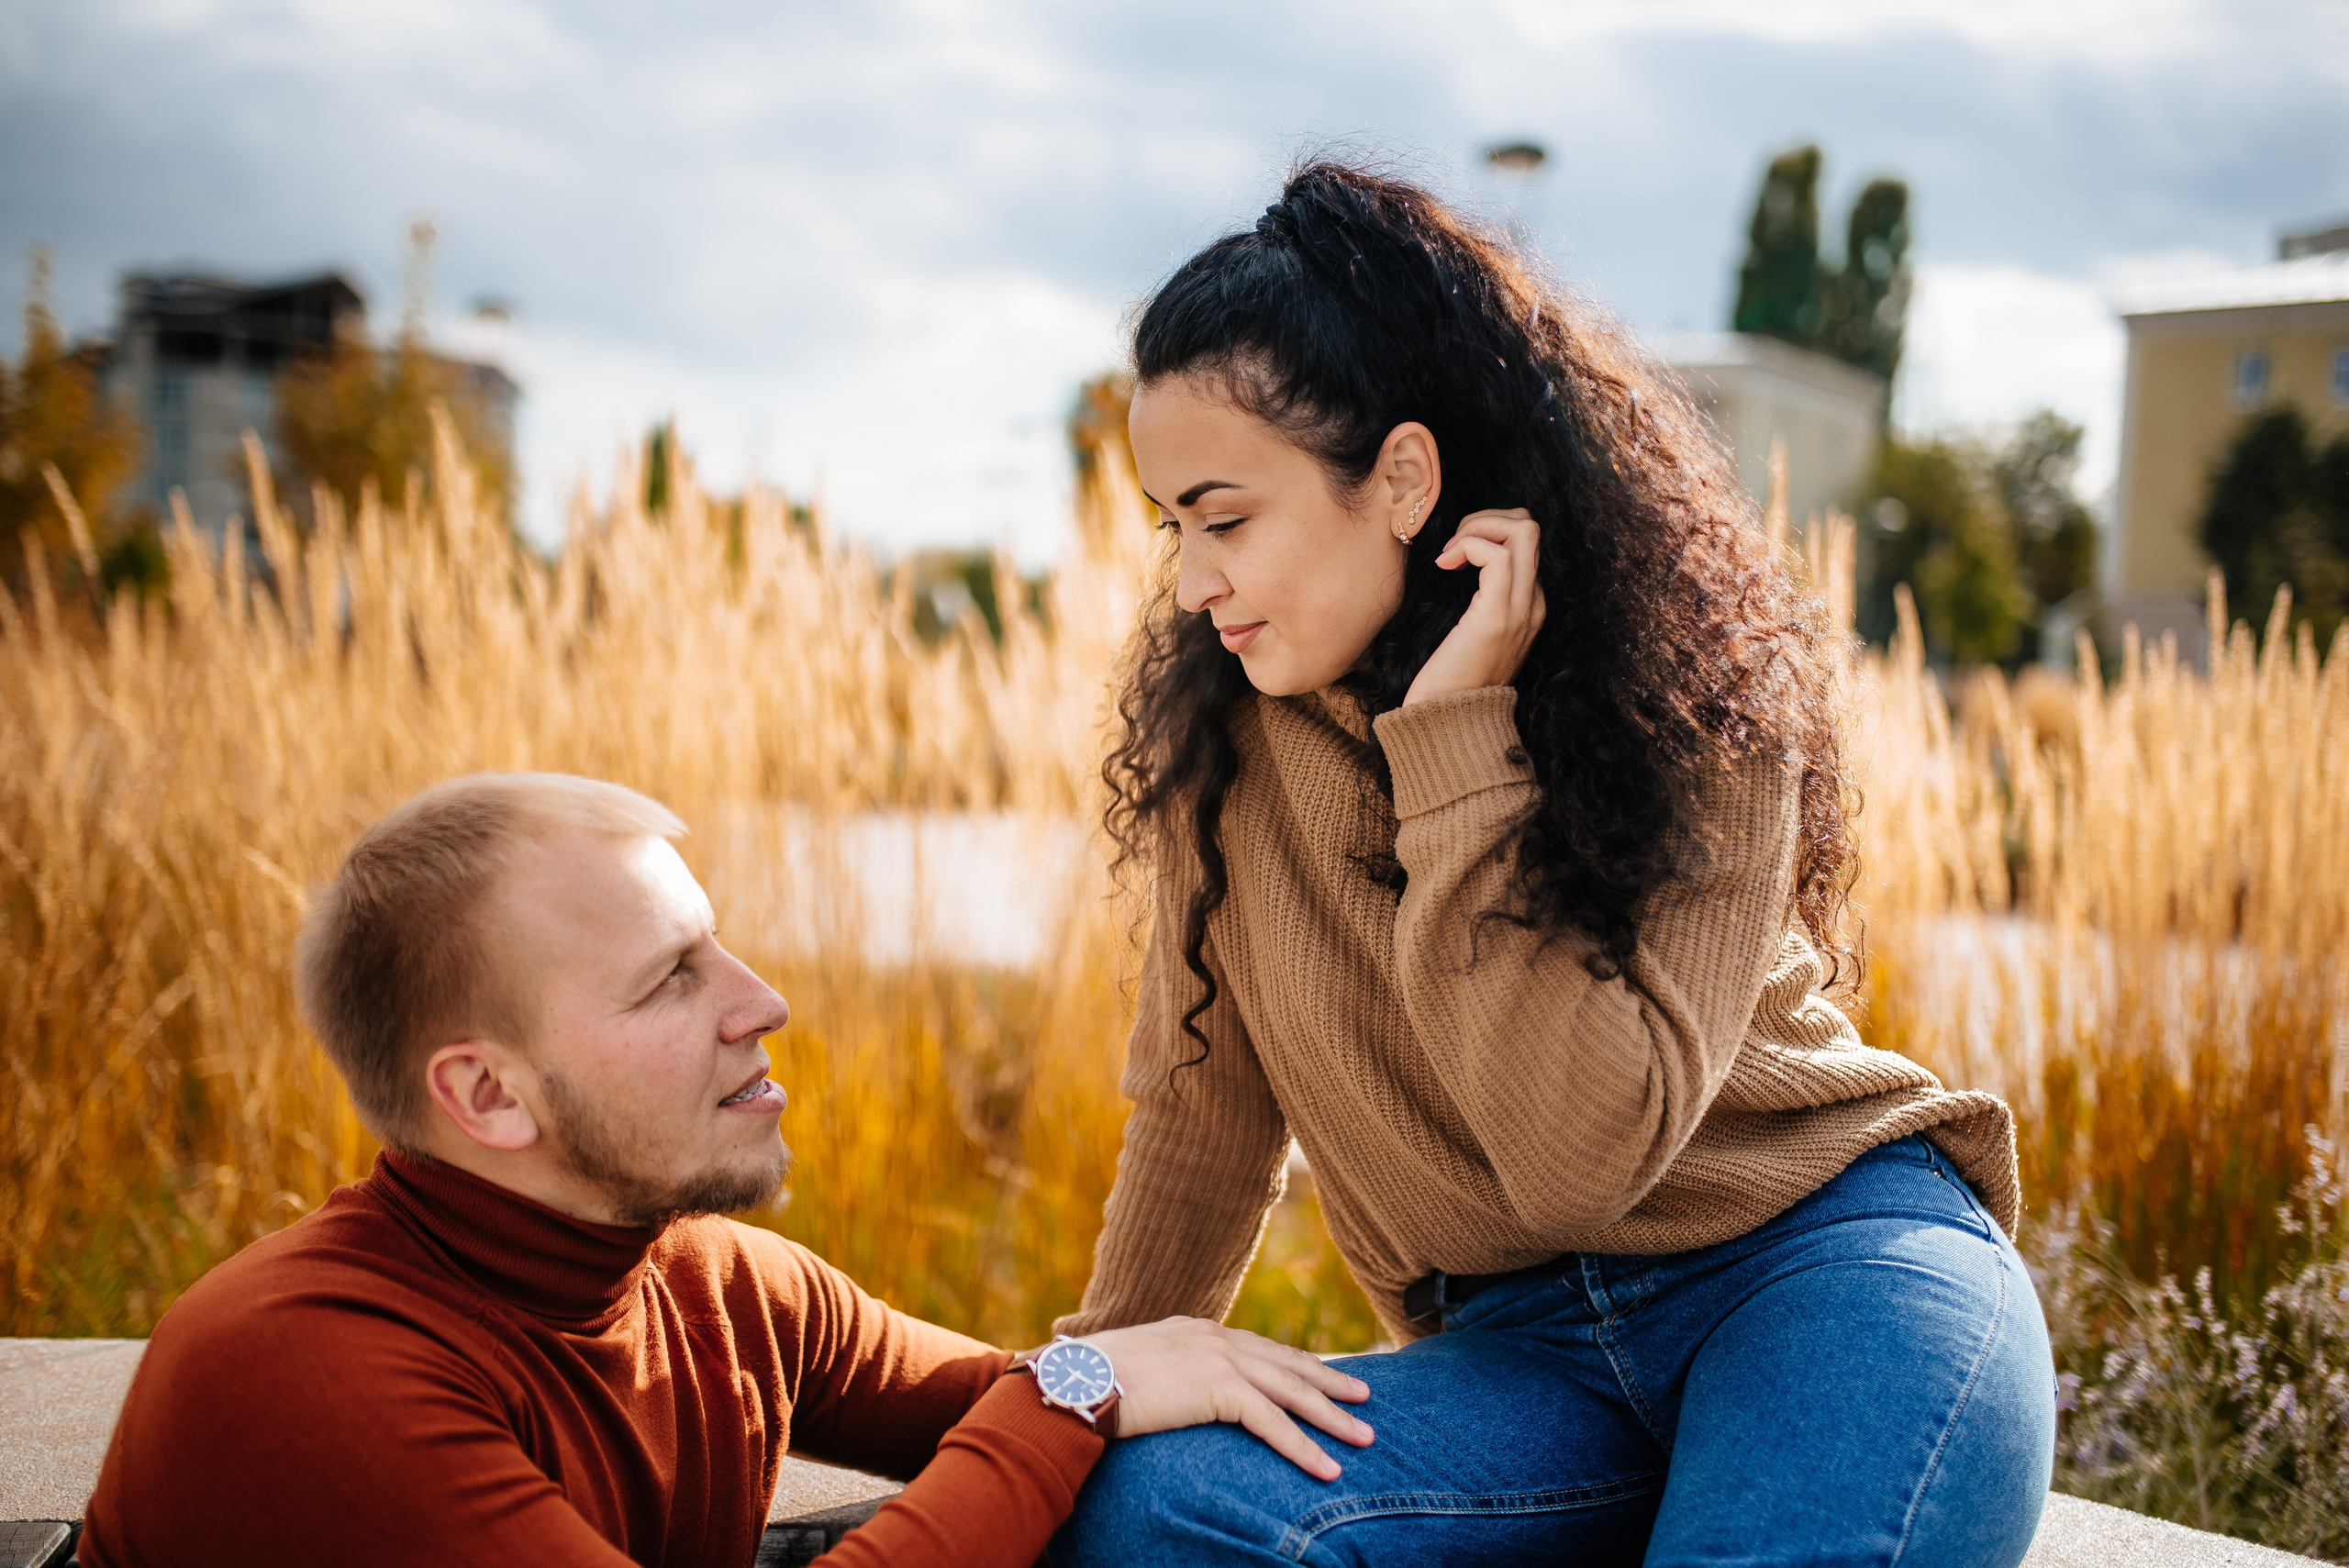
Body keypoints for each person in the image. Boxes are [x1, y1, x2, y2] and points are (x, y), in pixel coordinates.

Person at [1049, 161, 2057, 1566]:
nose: (1195, 580)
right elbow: (1202, 1122)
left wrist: (1455, 747)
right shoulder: (1230, 752)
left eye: (1226, 520)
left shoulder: (1689, 700)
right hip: (1520, 1362)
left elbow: (1582, 1157)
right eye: (1176, 531)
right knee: (1148, 1516)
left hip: (1821, 1277)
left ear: (1400, 477)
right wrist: (1062, 1413)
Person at [78, 773, 1373, 1568]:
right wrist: (1076, 1385)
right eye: (669, 978)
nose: (765, 1001)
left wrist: (1120, 1382)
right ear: (487, 1093)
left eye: (722, 948)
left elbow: (1005, 1406)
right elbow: (1048, 1410)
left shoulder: (714, 1283)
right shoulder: (306, 1371)